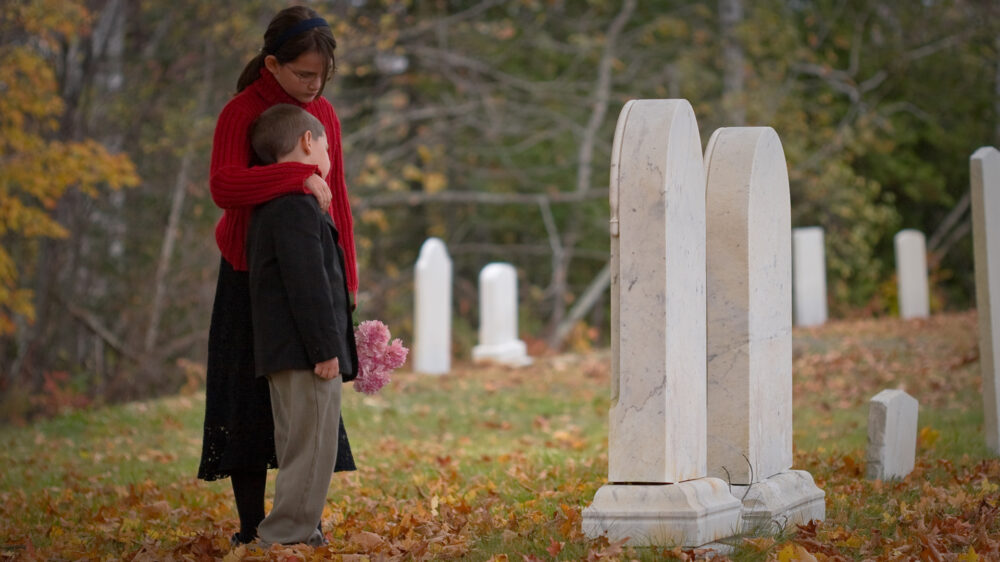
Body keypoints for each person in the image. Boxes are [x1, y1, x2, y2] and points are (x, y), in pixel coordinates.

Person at [197, 6, 358, 546]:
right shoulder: (242, 111)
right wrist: (299, 174)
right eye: (303, 75)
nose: (313, 86)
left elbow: (340, 204)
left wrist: (348, 282)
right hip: (249, 275)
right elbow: (226, 187)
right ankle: (251, 528)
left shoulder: (324, 116)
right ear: (273, 64)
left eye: (322, 76)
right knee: (248, 403)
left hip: (312, 269)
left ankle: (300, 521)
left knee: (311, 402)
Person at [246, 103, 357, 546]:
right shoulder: (294, 205)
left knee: (299, 446)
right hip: (305, 353)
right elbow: (307, 283)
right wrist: (325, 348)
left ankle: (297, 531)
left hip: (287, 351)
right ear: (309, 142)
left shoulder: (277, 203)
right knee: (312, 449)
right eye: (327, 143)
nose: (329, 152)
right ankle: (285, 538)